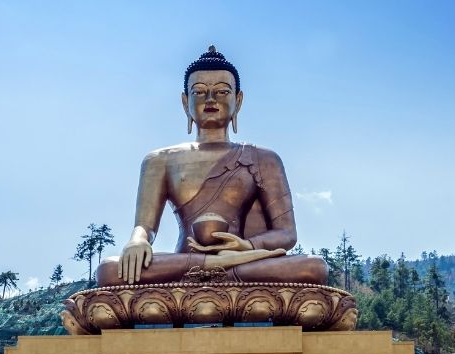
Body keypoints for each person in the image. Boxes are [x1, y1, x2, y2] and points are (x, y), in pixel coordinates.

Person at [97, 46, 328, 287]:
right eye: (199, 92)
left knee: (314, 267)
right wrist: (138, 241)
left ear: (237, 100)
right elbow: (144, 227)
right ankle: (214, 271)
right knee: (110, 270)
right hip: (187, 261)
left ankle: (209, 275)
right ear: (185, 102)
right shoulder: (160, 160)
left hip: (241, 260)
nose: (210, 100)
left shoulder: (263, 159)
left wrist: (247, 247)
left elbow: (287, 234)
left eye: (221, 92)